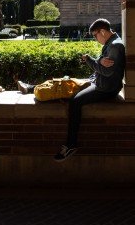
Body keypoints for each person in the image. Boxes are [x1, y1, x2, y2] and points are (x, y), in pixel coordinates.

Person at [17, 18, 125, 162]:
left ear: (103, 32)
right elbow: (103, 65)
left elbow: (107, 72)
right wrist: (99, 61)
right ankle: (31, 88)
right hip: (100, 82)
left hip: (105, 88)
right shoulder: (112, 42)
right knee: (68, 84)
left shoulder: (115, 46)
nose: (95, 38)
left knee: (75, 101)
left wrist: (90, 60)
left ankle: (71, 144)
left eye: (95, 35)